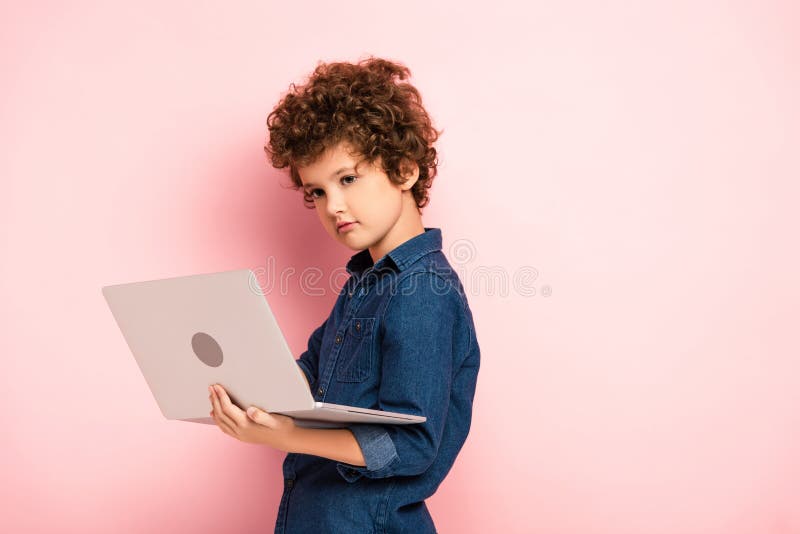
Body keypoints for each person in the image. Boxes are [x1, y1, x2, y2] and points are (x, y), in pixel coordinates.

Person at [206, 56, 481, 533]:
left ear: (404, 171)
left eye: (348, 179)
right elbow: (307, 379)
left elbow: (413, 446)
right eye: (316, 191)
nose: (333, 206)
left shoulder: (423, 294)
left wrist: (288, 434)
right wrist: (235, 382)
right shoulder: (365, 287)